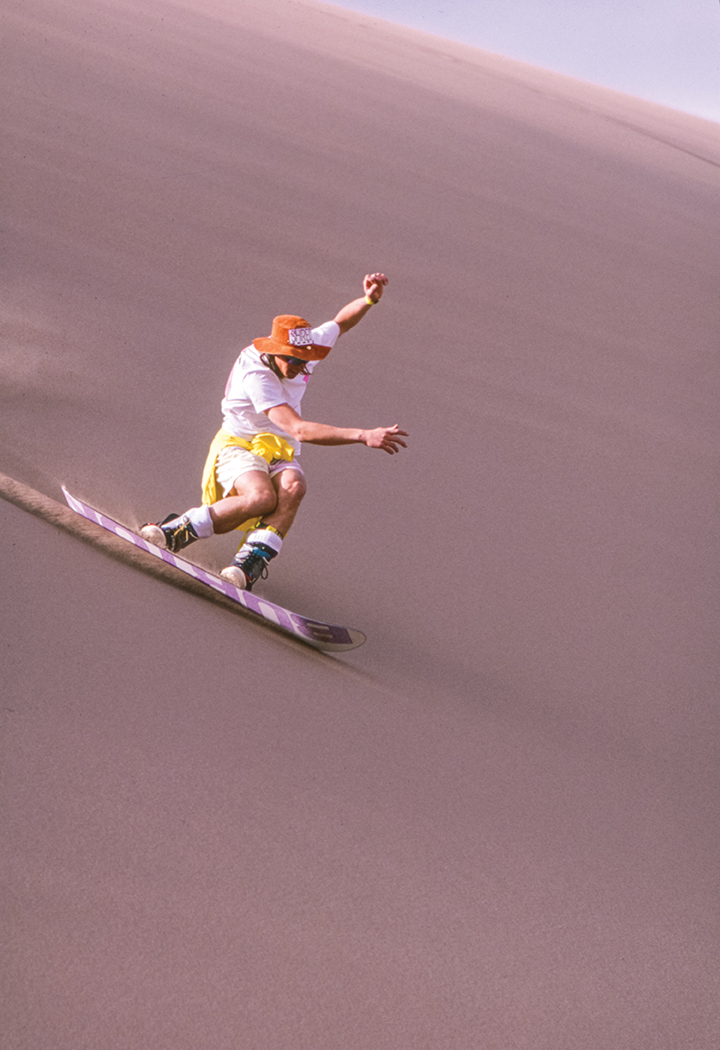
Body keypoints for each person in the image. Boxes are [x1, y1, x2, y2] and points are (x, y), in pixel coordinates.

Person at [140, 273, 407, 591]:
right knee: (261, 497)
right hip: (240, 444)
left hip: (279, 447)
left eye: (304, 359)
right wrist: (363, 435)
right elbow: (299, 429)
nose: (298, 366)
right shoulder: (256, 374)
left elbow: (340, 323)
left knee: (294, 487)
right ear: (274, 351)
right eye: (291, 359)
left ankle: (246, 567)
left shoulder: (305, 349)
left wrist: (368, 300)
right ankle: (174, 532)